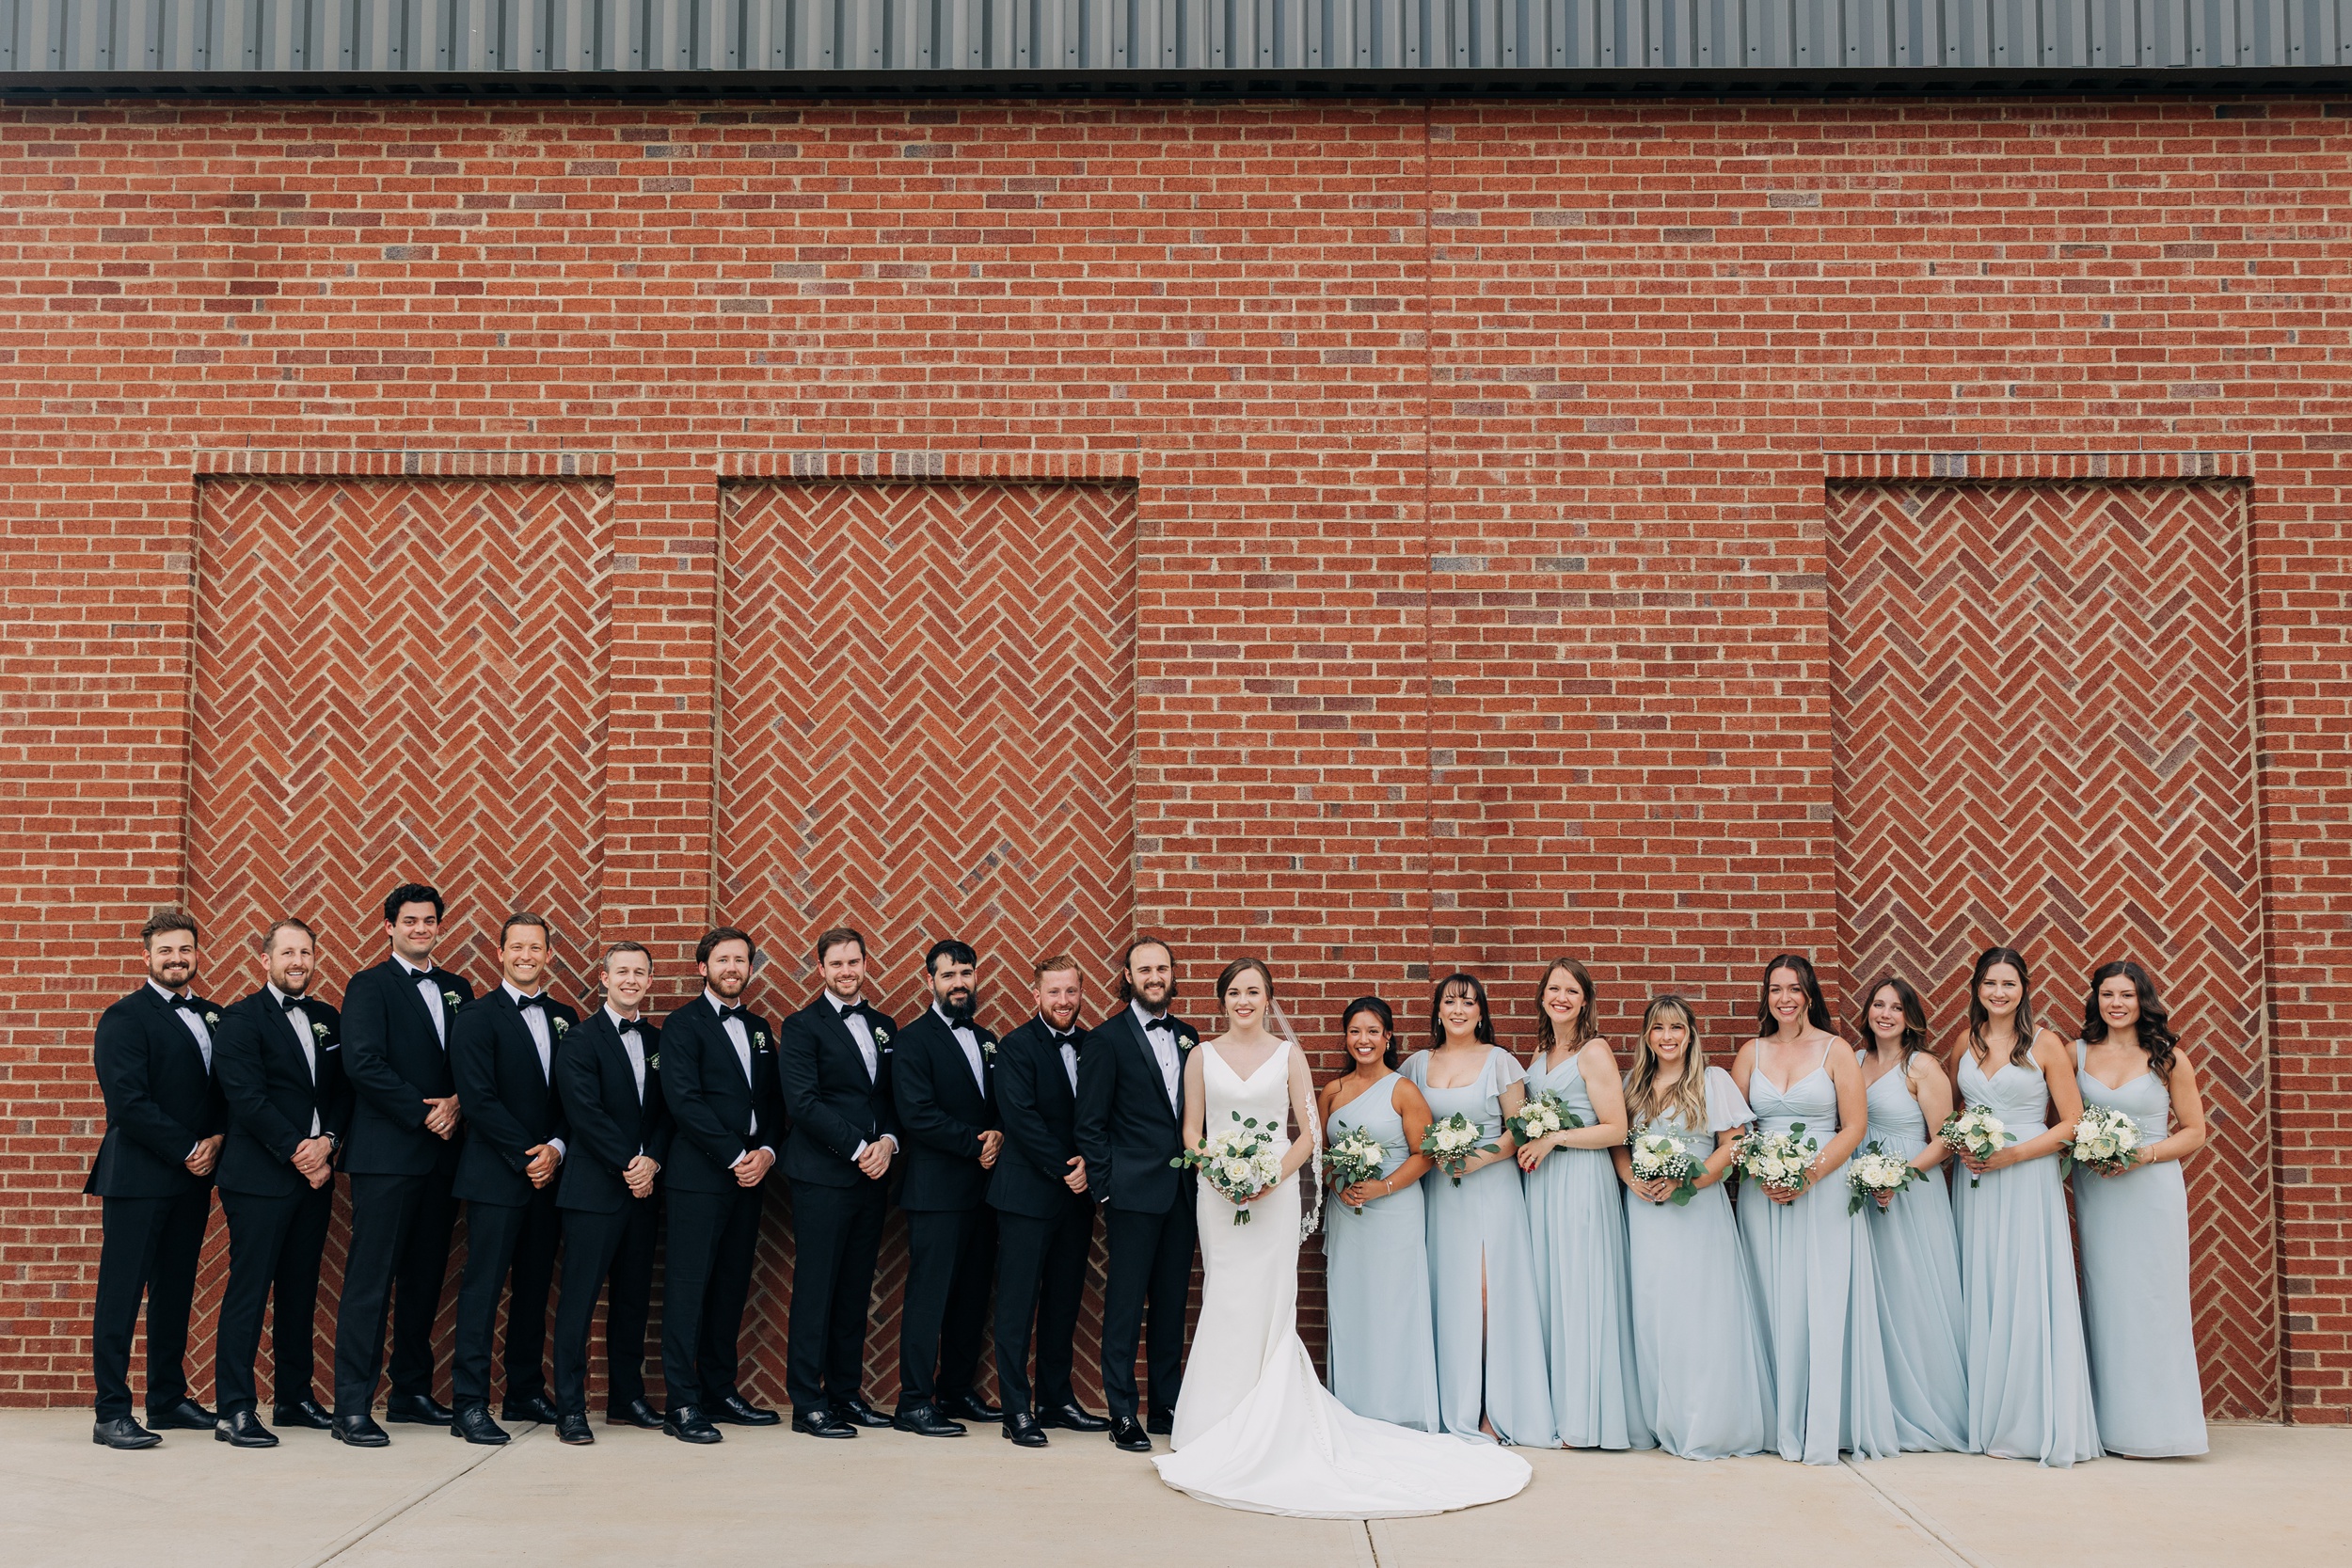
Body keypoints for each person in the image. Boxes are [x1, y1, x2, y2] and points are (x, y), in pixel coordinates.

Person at [1152, 958, 1529, 1517]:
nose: (1244, 1000)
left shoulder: (1290, 1056)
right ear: (1220, 999)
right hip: (1219, 1193)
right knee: (1225, 1297)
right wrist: (1223, 1175)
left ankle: (1275, 1419)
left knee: (1272, 1302)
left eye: (1254, 991)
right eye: (1234, 992)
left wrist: (1266, 1178)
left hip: (1272, 1192)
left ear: (1267, 997)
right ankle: (1211, 1420)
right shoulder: (1200, 1056)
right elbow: (1192, 1130)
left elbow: (1308, 1135)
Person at [1730, 954, 1898, 1465]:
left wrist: (1809, 1173)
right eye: (1776, 989)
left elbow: (1854, 1126)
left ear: (1809, 995)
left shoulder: (1836, 1049)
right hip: (1765, 1195)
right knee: (1771, 1295)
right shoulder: (1750, 1052)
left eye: (1794, 989)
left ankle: (1825, 1422)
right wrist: (1761, 1171)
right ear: (1768, 996)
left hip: (1822, 1190)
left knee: (1821, 1298)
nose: (1784, 998)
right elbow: (1736, 1129)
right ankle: (1775, 1418)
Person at [1947, 945, 2102, 1466]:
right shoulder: (1963, 1045)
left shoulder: (2045, 1044)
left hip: (2026, 1175)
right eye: (1989, 983)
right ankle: (1986, 1415)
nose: (1998, 993)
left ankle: (2031, 1420)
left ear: (2023, 990)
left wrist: (2012, 1154)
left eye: (2008, 984)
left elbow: (2073, 1122)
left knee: (2025, 1283)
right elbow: (1952, 1115)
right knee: (1983, 1282)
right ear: (1977, 988)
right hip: (1975, 1184)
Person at [332, 882, 472, 1446]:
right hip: (387, 1156)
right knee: (371, 1281)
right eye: (410, 921)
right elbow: (363, 1065)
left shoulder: (458, 988)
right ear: (389, 926)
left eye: (429, 920)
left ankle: (411, 1391)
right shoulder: (368, 985)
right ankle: (351, 1408)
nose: (421, 929)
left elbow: (473, 1059)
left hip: (443, 1159)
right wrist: (424, 1114)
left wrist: (459, 1102)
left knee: (424, 1281)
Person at [86, 906, 227, 1449]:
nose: (176, 958)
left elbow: (225, 1090)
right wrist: (188, 1146)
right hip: (138, 1177)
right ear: (147, 956)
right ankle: (110, 1412)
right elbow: (127, 1102)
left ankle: (166, 1398)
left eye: (184, 949)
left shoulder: (215, 1015)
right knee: (121, 1294)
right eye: (165, 950)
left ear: (196, 954)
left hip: (193, 1178)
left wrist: (216, 1139)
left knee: (175, 1291)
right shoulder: (124, 1016)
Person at [1398, 973, 1557, 1446]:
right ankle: (1451, 1402)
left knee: (1488, 1297)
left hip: (1491, 1190)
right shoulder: (1414, 1066)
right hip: (1440, 1195)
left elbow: (1517, 1130)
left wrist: (1474, 1160)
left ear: (1481, 1013)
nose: (1459, 1010)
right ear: (1438, 1011)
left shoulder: (1501, 1062)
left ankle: (1490, 1407)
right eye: (1450, 1001)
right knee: (1448, 1294)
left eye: (1468, 1002)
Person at [211, 918, 350, 1447]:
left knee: (300, 1290)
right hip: (260, 1177)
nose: (298, 962)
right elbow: (246, 1098)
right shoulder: (241, 1020)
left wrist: (329, 1142)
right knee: (249, 1290)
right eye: (287, 953)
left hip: (315, 1176)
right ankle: (234, 1410)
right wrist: (300, 1151)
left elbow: (342, 1090)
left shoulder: (326, 1018)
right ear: (264, 959)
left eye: (306, 954)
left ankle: (294, 1398)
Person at [1616, 993, 1773, 1459]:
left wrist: (1691, 1179)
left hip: (1697, 1212)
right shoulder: (1632, 1085)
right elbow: (1618, 1142)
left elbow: (1733, 1144)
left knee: (1700, 1312)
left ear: (1690, 1035)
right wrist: (1631, 1179)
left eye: (1677, 1028)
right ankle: (1661, 1419)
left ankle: (1707, 1420)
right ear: (1647, 1036)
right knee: (1653, 1312)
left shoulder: (1713, 1080)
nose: (1668, 1038)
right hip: (1646, 1213)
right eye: (1659, 1029)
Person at [446, 912, 575, 1445]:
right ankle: (469, 1404)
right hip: (498, 1175)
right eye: (517, 947)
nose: (526, 955)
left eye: (536, 947)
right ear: (500, 954)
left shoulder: (567, 1016)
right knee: (482, 1290)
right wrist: (528, 1155)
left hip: (551, 1176)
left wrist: (558, 1148)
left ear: (549, 955)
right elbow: (477, 1098)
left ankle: (523, 1389)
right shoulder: (476, 1017)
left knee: (533, 1288)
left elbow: (578, 1096)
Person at [2074, 959, 2209, 1458]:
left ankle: (2165, 1429)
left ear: (2142, 1000)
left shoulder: (2168, 1058)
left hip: (2152, 1189)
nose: (2116, 1004)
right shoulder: (2077, 1053)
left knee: (2155, 1299)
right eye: (2107, 994)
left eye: (2126, 995)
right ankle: (2113, 1425)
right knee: (2109, 1300)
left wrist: (2141, 1155)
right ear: (2096, 999)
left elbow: (2195, 1132)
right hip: (2100, 1191)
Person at [658, 926, 786, 1443]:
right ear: (702, 967)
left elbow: (776, 1103)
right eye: (723, 959)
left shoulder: (758, 1027)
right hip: (700, 1178)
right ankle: (681, 1404)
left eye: (741, 960)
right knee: (688, 1290)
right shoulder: (682, 1025)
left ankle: (719, 1389)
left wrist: (767, 1152)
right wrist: (736, 1154)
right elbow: (684, 1101)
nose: (733, 968)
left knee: (731, 1287)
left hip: (751, 1178)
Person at [1518, 958, 1648, 1451]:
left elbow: (1616, 1128)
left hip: (1579, 1181)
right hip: (1544, 1184)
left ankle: (1589, 1418)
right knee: (1552, 1289)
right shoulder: (1541, 1050)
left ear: (1586, 1000)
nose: (1562, 998)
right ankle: (1556, 1407)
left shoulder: (1594, 1051)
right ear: (1543, 997)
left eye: (1572, 991)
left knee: (1581, 1288)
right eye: (1554, 989)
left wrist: (1554, 1138)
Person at [1074, 937, 1199, 1452]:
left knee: (1171, 1305)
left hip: (1182, 1195)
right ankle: (1122, 1412)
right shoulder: (1105, 1040)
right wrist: (1105, 1191)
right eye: (1144, 969)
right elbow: (1090, 1125)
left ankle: (1165, 1404)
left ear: (1172, 975)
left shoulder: (1190, 1037)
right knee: (1124, 1307)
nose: (1154, 977)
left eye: (1162, 968)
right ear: (1126, 976)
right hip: (1129, 1195)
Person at [778, 927, 899, 1437]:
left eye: (855, 961)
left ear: (865, 963)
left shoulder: (884, 1024)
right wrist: (858, 1149)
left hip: (874, 1177)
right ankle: (807, 1402)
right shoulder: (802, 1026)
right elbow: (803, 1103)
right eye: (837, 964)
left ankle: (846, 1395)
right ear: (822, 969)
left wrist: (889, 1142)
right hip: (824, 1176)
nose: (847, 971)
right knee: (816, 1289)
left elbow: (892, 1097)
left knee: (854, 1290)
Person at [549, 941, 672, 1444]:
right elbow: (584, 1113)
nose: (630, 980)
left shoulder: (661, 1040)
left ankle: (626, 1397)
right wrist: (629, 1163)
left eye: (639, 972)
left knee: (632, 1300)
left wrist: (653, 1160)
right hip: (594, 1189)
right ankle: (571, 1410)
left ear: (649, 980)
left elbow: (669, 1110)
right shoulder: (579, 1040)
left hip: (643, 1189)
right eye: (621, 972)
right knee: (579, 1302)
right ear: (604, 978)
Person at [989, 955, 1108, 1447]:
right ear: (1034, 994)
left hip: (1075, 1201)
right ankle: (1016, 1410)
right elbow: (1021, 1119)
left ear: (1082, 993)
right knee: (1017, 1307)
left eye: (1071, 992)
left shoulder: (1092, 1045)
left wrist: (1090, 1167)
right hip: (1027, 1195)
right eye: (1054, 992)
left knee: (1063, 1303)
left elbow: (1102, 1114)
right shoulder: (1015, 1047)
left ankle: (1056, 1400)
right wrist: (1069, 1169)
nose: (1064, 1002)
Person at [890, 939, 1004, 1435]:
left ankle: (957, 1391)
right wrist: (975, 1143)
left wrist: (998, 1131)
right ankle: (914, 1402)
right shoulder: (912, 1039)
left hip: (983, 1192)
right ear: (930, 980)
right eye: (948, 975)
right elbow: (916, 1113)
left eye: (966, 973)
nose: (959, 983)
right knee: (929, 1298)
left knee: (971, 1297)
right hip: (936, 1192)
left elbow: (999, 1103)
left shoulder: (987, 1039)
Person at [1851, 975, 1967, 1452]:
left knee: (1914, 1289)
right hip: (1862, 1185)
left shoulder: (1922, 1066)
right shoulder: (1854, 1061)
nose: (1885, 1014)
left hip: (1911, 1188)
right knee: (1875, 1296)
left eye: (1895, 1008)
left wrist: (1897, 1176)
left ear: (1910, 1018)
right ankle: (1881, 1406)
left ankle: (1932, 1409)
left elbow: (1946, 1138)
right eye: (1878, 1005)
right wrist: (1870, 1177)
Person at [1316, 996, 1438, 1432]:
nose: (1363, 1040)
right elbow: (1323, 1156)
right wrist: (1338, 1184)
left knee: (1393, 1304)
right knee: (1353, 1305)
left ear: (1388, 1037)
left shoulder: (1403, 1089)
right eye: (1355, 1031)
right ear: (1345, 1037)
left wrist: (1382, 1186)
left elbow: (1425, 1155)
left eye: (1372, 1031)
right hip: (1348, 1214)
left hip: (1395, 1212)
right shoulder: (1334, 1090)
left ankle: (1399, 1409)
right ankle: (1353, 1408)